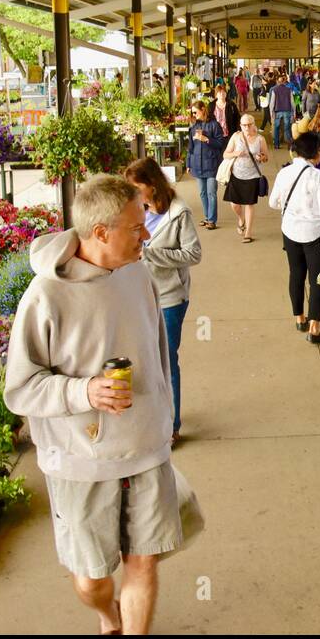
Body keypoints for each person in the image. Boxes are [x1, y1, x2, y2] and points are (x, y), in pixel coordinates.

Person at [4, 175, 184, 635]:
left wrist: (164, 414)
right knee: (92, 580)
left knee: (143, 564)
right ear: (101, 232)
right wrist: (83, 392)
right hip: (80, 461)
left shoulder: (138, 272)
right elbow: (21, 389)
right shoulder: (45, 296)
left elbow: (158, 349)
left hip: (145, 447)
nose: (146, 235)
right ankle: (109, 616)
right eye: (135, 227)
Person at [125, 159, 202, 445]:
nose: (131, 192)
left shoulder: (179, 213)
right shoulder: (136, 211)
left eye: (136, 187)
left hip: (170, 297)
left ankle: (172, 425)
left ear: (152, 184)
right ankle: (153, 416)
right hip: (137, 293)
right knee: (145, 359)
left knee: (167, 360)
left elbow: (193, 254)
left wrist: (153, 255)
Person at [269, 131, 320, 345]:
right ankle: (314, 328)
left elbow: (273, 202)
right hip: (314, 234)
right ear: (314, 152)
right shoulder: (319, 177)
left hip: (290, 231)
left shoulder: (284, 173)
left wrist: (292, 209)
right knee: (317, 280)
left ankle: (299, 318)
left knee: (296, 274)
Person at [223, 113, 269, 243]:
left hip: (252, 175)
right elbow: (225, 154)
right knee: (234, 204)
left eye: (250, 124)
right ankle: (241, 218)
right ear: (241, 126)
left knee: (249, 204)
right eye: (244, 125)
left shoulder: (260, 139)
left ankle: (248, 232)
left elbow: (266, 157)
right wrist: (235, 153)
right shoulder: (236, 137)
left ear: (254, 124)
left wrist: (261, 157)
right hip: (236, 174)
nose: (247, 127)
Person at [187, 101, 225, 230]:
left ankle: (212, 220)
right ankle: (207, 217)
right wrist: (188, 163)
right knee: (202, 193)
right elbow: (190, 148)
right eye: (192, 112)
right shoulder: (193, 127)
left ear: (203, 110)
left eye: (195, 112)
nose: (194, 114)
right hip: (197, 164)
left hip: (212, 164)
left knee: (211, 193)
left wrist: (207, 140)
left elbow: (220, 143)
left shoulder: (214, 125)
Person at [270, 76, 294, 148]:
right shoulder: (288, 90)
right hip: (287, 111)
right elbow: (292, 102)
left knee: (276, 128)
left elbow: (272, 103)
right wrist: (294, 112)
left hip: (277, 111)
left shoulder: (274, 90)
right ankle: (290, 144)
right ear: (284, 82)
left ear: (278, 81)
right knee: (287, 128)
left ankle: (276, 144)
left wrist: (271, 112)